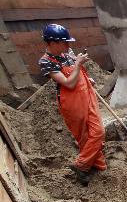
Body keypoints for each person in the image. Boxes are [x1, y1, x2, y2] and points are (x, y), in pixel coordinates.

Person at [39, 24, 107, 185]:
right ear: (53, 43)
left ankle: (81, 165)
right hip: (71, 101)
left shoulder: (67, 53)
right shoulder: (46, 62)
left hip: (86, 94)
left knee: (98, 132)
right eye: (65, 42)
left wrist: (86, 77)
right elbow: (68, 83)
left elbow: (78, 73)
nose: (68, 46)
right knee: (84, 136)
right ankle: (94, 165)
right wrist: (77, 64)